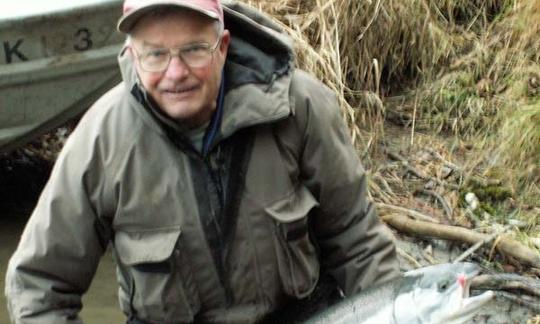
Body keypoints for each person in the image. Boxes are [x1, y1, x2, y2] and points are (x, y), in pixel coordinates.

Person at [5, 0, 399, 322]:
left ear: (223, 46)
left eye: (194, 49)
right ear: (132, 56)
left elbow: (358, 243)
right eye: (156, 55)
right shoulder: (101, 139)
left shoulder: (301, 108)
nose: (176, 73)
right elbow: (39, 284)